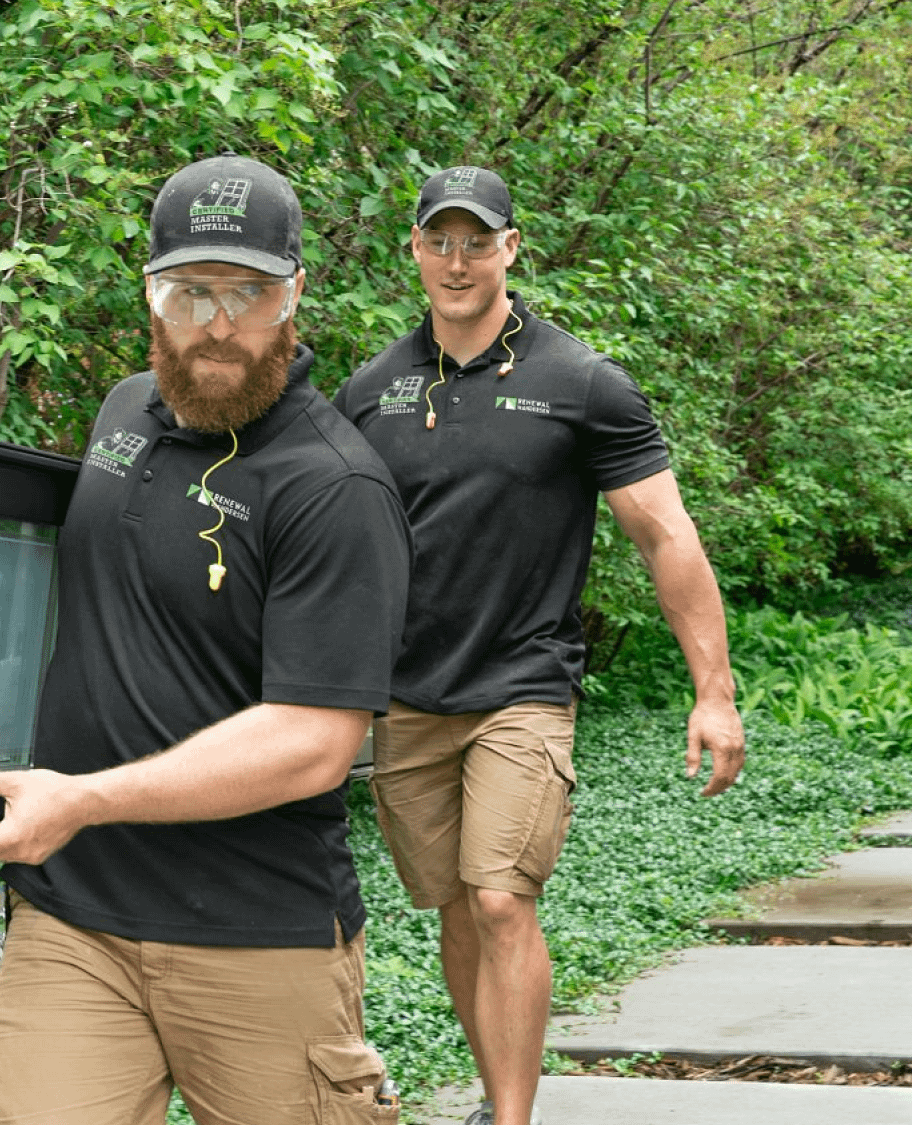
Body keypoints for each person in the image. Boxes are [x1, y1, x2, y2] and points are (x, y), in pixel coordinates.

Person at [0, 153, 413, 1125]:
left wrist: (82, 799)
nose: (215, 324)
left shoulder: (333, 486)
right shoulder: (122, 413)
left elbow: (311, 742)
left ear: (293, 295)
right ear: (149, 295)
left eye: (245, 292)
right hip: (73, 923)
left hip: (259, 937)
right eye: (189, 291)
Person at [332, 166, 747, 1125]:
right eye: (440, 239)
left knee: (501, 898)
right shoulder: (373, 387)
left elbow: (665, 534)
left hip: (524, 687)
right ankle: (494, 1095)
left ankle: (512, 1120)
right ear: (415, 249)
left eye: (478, 240)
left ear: (512, 248)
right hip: (406, 697)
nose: (457, 260)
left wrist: (713, 691)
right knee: (452, 907)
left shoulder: (581, 382)